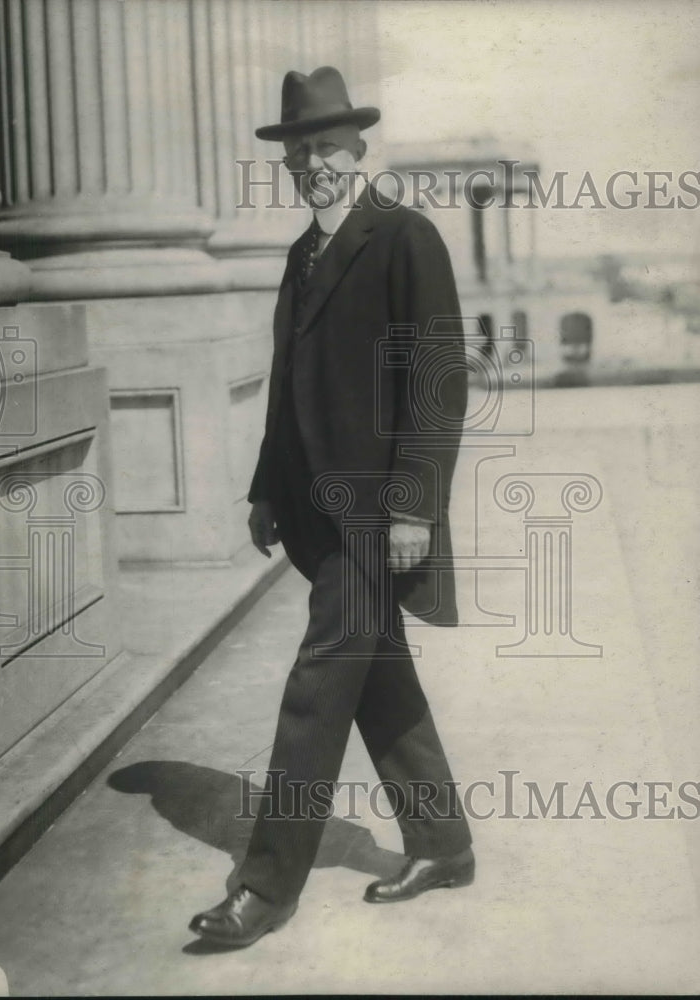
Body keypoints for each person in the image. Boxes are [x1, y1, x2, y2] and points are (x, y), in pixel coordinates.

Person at [190, 66, 473, 949]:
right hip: (316, 514)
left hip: (378, 514)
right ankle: (443, 844)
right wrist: (268, 490)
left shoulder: (403, 237)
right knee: (377, 679)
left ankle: (265, 887)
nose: (314, 163)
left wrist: (416, 510)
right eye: (299, 151)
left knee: (317, 691)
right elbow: (289, 388)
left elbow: (438, 384)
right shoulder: (300, 254)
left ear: (359, 151)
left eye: (327, 147)